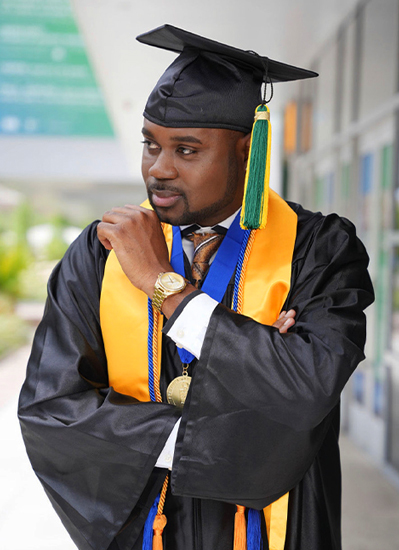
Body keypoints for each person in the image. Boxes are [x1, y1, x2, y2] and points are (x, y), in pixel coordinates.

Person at [18, 24, 374, 550]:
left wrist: (168, 290)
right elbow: (50, 408)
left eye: (186, 149)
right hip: (146, 519)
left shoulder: (318, 249)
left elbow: (307, 389)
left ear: (246, 151)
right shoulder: (101, 250)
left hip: (276, 520)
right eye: (150, 144)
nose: (159, 169)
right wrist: (243, 396)